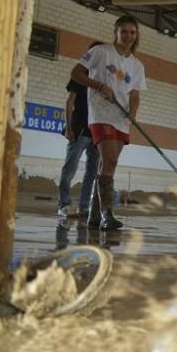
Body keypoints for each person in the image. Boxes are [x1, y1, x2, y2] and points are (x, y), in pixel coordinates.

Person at [71, 17, 146, 231]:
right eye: (124, 32)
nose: (128, 36)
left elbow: (135, 94)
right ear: (116, 32)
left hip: (121, 119)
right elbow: (75, 73)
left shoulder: (137, 65)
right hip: (101, 112)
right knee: (110, 160)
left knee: (108, 166)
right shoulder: (101, 52)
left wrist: (132, 113)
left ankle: (94, 217)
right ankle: (107, 215)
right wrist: (98, 85)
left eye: (132, 32)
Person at [57, 41, 103, 220]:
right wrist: (68, 127)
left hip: (96, 132)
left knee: (92, 172)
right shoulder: (80, 75)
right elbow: (69, 102)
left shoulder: (103, 79)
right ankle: (64, 205)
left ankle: (84, 208)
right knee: (69, 169)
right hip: (79, 130)